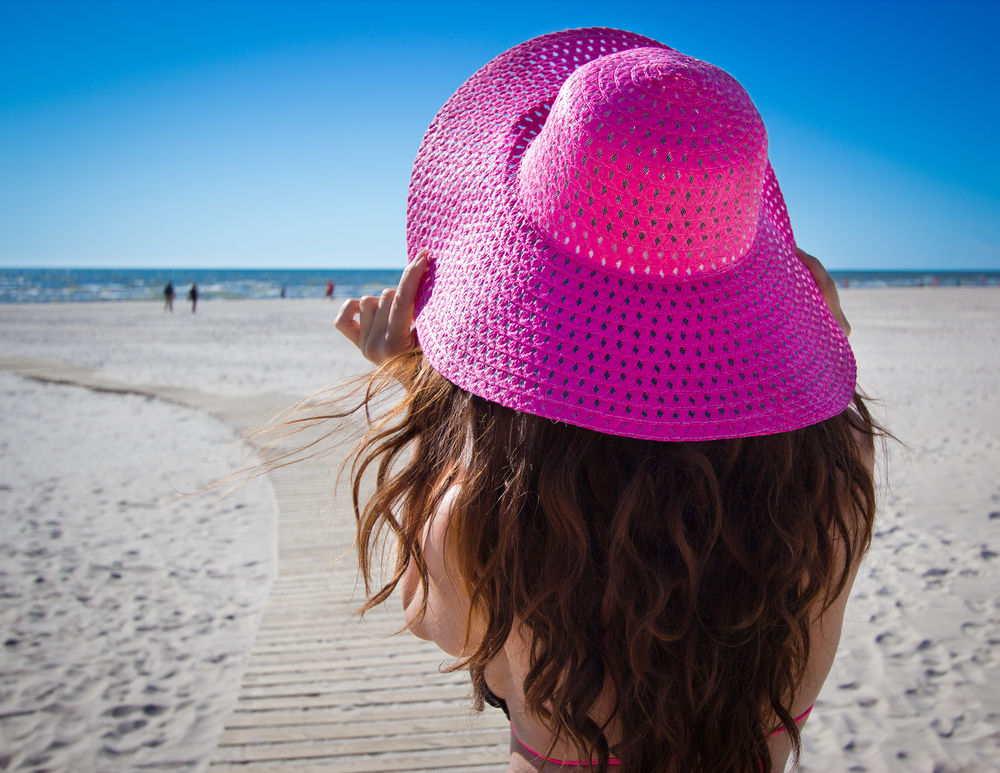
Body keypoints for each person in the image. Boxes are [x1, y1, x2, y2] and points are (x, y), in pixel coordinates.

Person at [328, 29, 882, 773]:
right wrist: (822, 342)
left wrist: (413, 386)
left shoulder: (482, 516)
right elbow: (828, 421)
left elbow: (437, 622)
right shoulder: (832, 485)